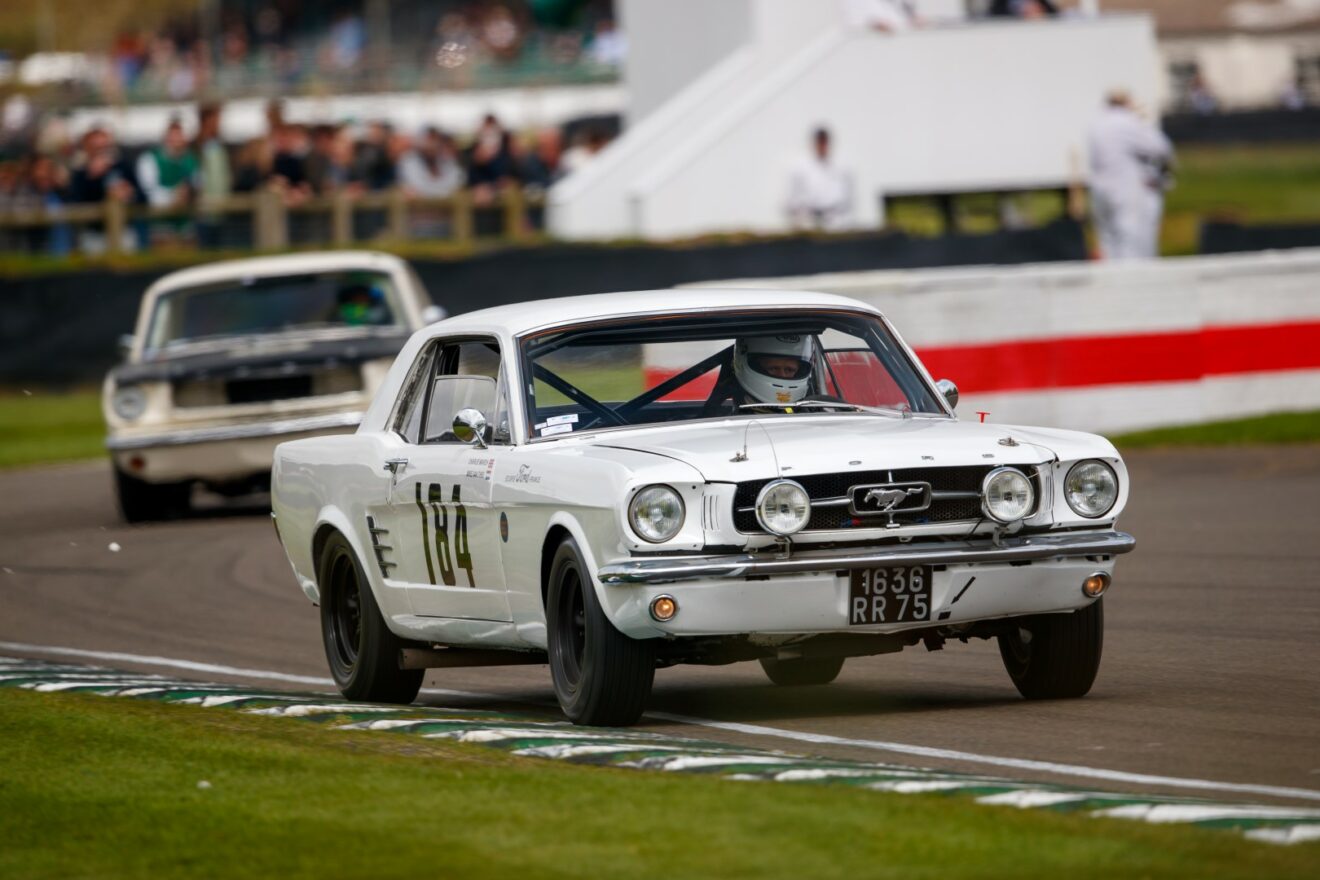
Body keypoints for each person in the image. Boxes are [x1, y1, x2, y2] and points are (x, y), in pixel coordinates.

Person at [1087, 89, 1173, 261]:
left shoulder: (1096, 124)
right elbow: (1161, 147)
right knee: (1131, 238)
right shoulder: (1127, 122)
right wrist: (1144, 122)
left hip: (1100, 189)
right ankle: (1131, 281)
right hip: (1123, 188)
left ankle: (1112, 279)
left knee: (1108, 239)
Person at [703, 335, 816, 415]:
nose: (782, 375)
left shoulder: (816, 411)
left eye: (790, 370)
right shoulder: (731, 422)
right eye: (773, 368)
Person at [786, 126, 853, 231]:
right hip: (808, 224)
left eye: (824, 142)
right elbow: (792, 201)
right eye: (819, 142)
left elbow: (846, 201)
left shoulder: (840, 168)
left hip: (834, 224)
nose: (822, 146)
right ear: (814, 144)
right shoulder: (799, 168)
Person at [135, 118, 196, 209]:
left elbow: (198, 183)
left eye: (180, 135)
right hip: (158, 219)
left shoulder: (190, 160)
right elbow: (149, 194)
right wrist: (174, 195)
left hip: (186, 218)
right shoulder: (149, 160)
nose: (177, 140)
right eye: (173, 135)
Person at [842, 0, 918, 33]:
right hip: (868, 46)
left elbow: (911, 16)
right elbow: (853, 22)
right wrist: (874, 23)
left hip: (901, 44)